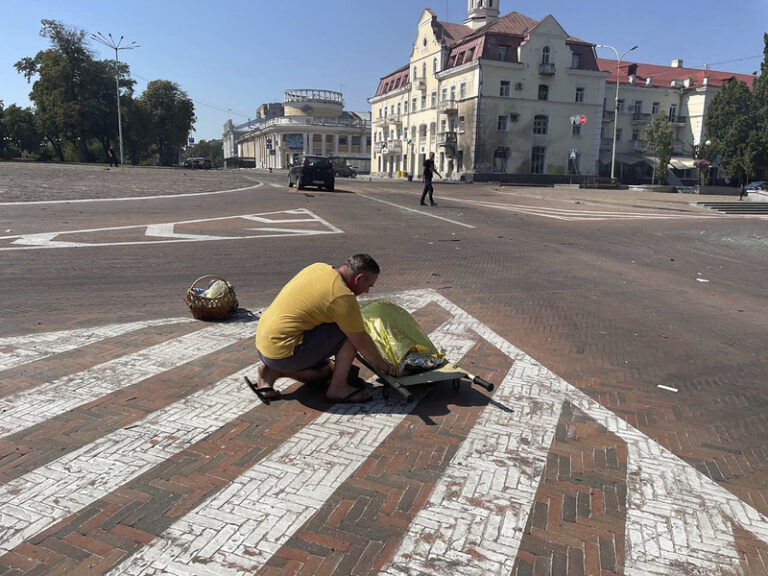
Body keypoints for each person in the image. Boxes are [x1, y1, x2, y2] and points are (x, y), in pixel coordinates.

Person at [254, 254, 396, 403]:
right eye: (369, 286)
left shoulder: (318, 267)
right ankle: (338, 388)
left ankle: (270, 371)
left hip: (264, 345)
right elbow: (361, 341)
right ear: (358, 278)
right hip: (284, 353)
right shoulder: (342, 296)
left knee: (325, 373)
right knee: (350, 333)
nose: (367, 291)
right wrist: (384, 366)